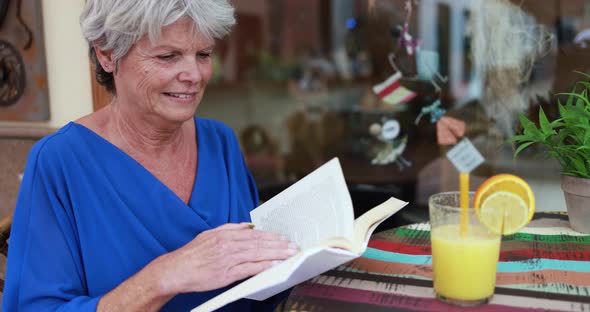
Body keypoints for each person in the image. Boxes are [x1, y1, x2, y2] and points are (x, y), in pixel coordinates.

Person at [3, 0, 298, 311]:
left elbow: (257, 284)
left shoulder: (219, 141)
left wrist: (303, 257)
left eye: (203, 54)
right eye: (168, 56)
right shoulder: (59, 162)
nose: (194, 75)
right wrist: (163, 277)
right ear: (107, 54)